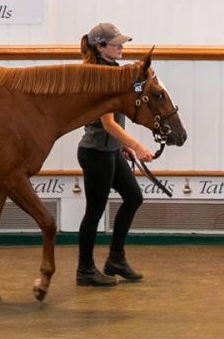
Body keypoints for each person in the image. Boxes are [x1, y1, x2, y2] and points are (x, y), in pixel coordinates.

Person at [76, 23, 155, 287]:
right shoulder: (99, 74)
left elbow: (114, 120)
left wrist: (121, 145)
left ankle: (116, 260)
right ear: (100, 47)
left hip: (109, 149)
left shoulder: (113, 70)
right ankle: (85, 270)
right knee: (95, 212)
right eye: (116, 43)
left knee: (133, 198)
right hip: (96, 152)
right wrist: (136, 146)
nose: (121, 46)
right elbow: (107, 123)